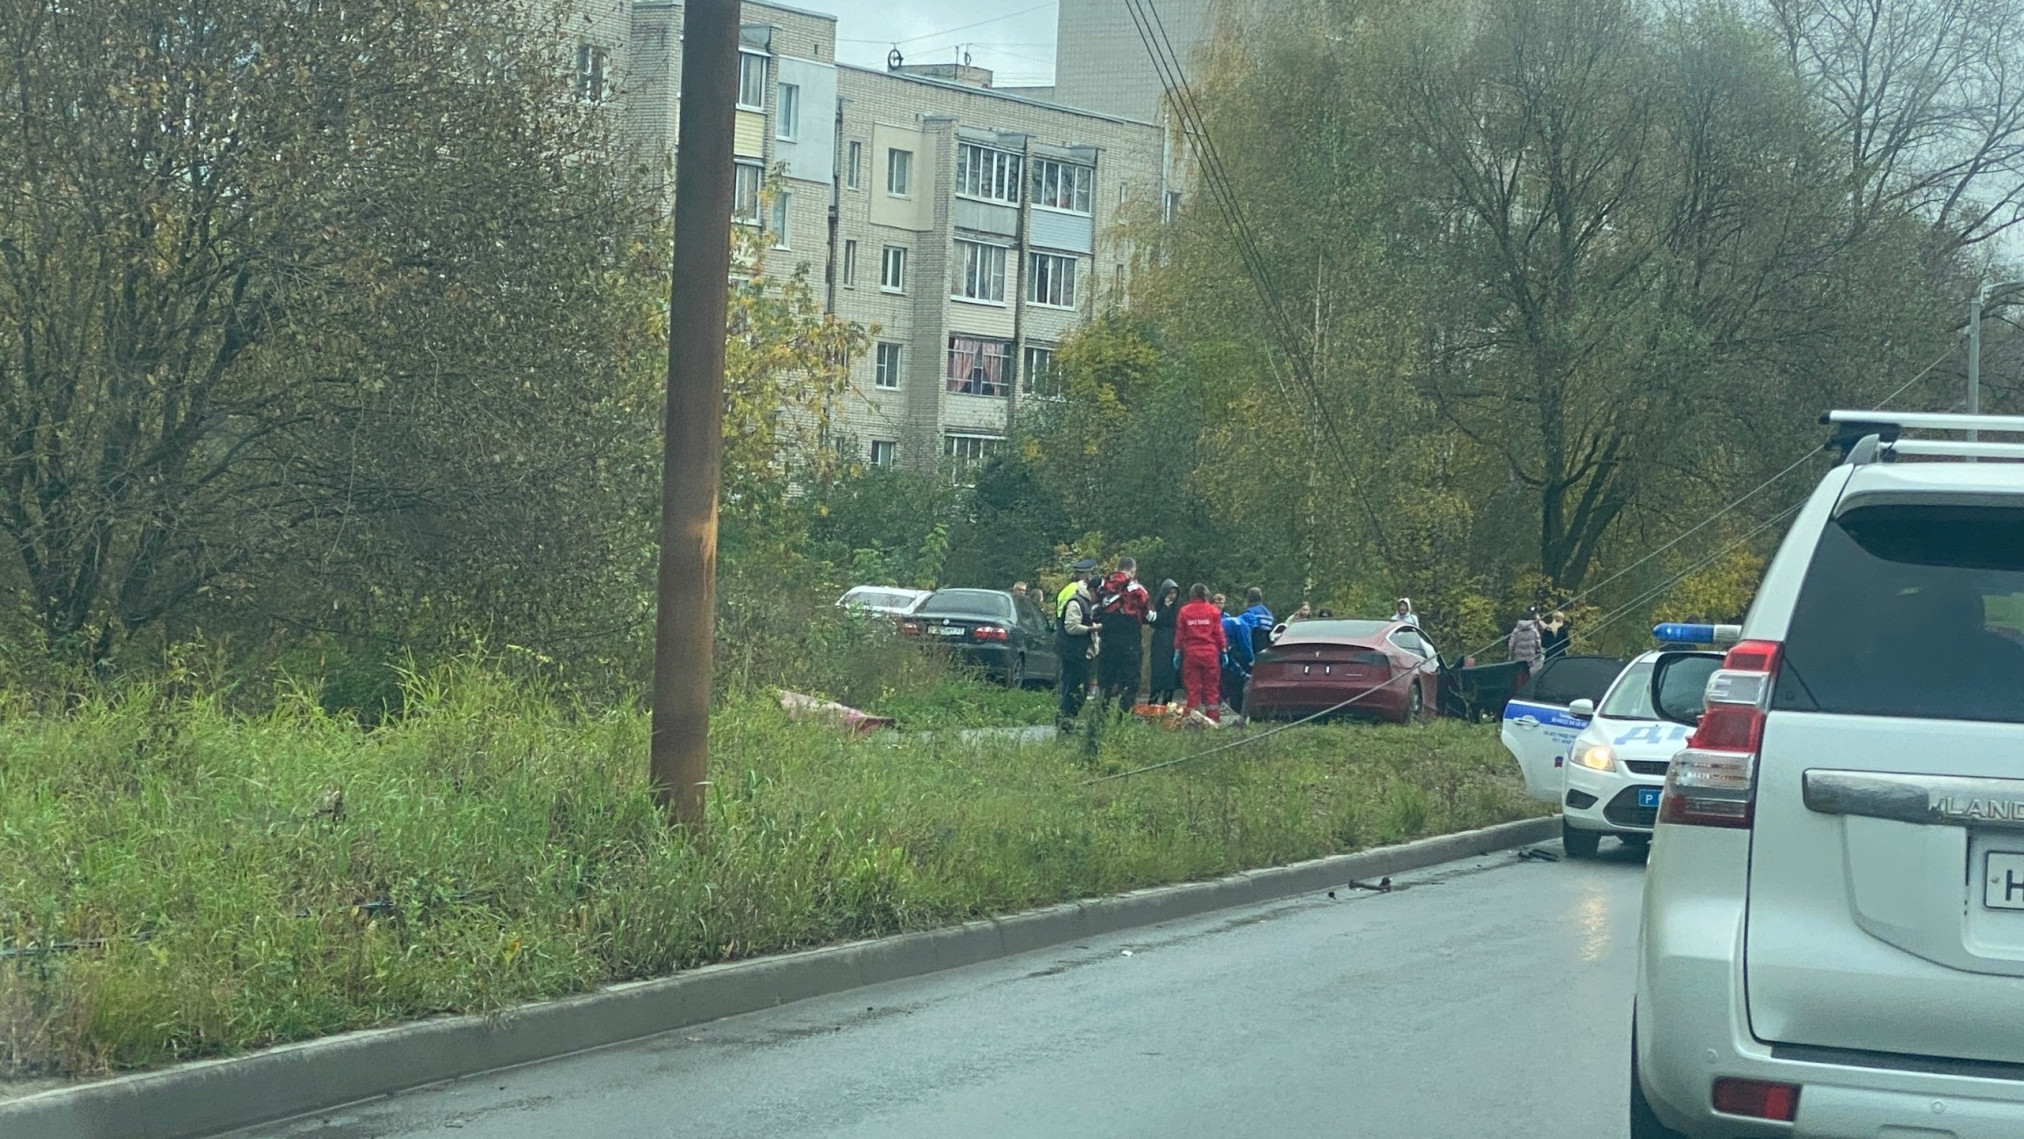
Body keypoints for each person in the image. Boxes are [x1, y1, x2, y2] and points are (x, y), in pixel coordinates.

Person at [1095, 556, 1151, 713]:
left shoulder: (1103, 586)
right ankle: (1123, 718)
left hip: (1107, 640)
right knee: (1131, 682)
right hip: (1130, 641)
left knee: (1105, 681)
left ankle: (1099, 717)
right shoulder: (1138, 590)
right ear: (1132, 570)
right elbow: (1148, 614)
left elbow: (1095, 610)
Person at [1055, 574, 1102, 730]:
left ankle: (1069, 720)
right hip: (1073, 654)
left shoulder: (1086, 603)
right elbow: (1071, 627)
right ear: (1092, 590)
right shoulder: (1076, 602)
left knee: (1081, 689)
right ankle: (1064, 721)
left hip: (1082, 653)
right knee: (1072, 689)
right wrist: (1092, 628)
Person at [1176, 583, 1227, 722]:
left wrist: (1177, 650)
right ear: (1206, 594)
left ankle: (1194, 719)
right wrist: (1223, 649)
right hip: (1210, 653)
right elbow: (1218, 633)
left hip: (1191, 653)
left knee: (1192, 688)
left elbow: (1180, 633)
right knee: (1211, 688)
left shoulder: (1184, 611)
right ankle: (1212, 720)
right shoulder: (1213, 611)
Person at [1147, 579, 1182, 706]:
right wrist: (1166, 608)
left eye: (1174, 593)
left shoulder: (1179, 607)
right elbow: (1155, 621)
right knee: (1158, 673)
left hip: (1173, 641)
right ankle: (1152, 703)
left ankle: (1167, 704)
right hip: (1160, 641)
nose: (1172, 596)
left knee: (1170, 677)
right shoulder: (1157, 606)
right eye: (1169, 592)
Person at [1508, 608, 1544, 675]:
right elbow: (1538, 642)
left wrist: (1510, 655)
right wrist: (1538, 651)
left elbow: (1511, 644)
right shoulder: (1534, 630)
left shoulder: (1516, 630)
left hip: (1518, 656)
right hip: (1530, 656)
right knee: (1529, 672)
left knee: (1519, 673)